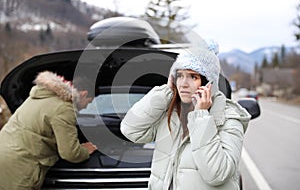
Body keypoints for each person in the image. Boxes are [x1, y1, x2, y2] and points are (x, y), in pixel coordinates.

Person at [120, 42, 251, 190]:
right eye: (180, 76)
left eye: (193, 77)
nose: (183, 84)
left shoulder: (229, 118)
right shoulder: (170, 113)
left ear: (209, 84)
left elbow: (218, 173)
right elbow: (130, 130)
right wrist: (166, 91)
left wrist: (200, 116)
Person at [0, 71, 97, 189]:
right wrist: (86, 150)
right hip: (20, 166)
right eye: (89, 102)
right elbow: (70, 153)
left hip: (4, 154)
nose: (86, 107)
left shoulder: (41, 97)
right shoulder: (64, 108)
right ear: (84, 94)